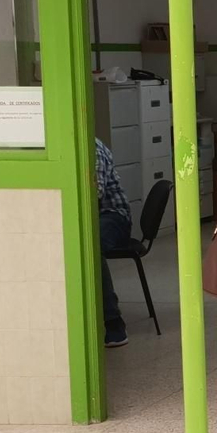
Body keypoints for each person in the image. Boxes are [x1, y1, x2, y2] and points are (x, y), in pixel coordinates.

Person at [95, 138, 133, 348]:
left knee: (91, 244)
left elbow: (94, 194)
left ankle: (113, 323)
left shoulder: (91, 147)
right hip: (92, 216)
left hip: (113, 216)